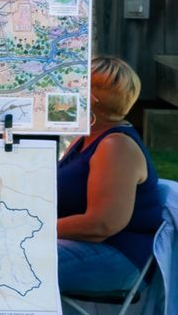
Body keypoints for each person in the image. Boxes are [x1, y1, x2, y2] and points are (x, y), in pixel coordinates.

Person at [58, 56, 161, 296]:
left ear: (92, 101)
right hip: (84, 248)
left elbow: (101, 224)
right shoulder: (85, 138)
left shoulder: (115, 146)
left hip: (117, 257)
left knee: (6, 261)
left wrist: (33, 230)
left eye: (74, 86)